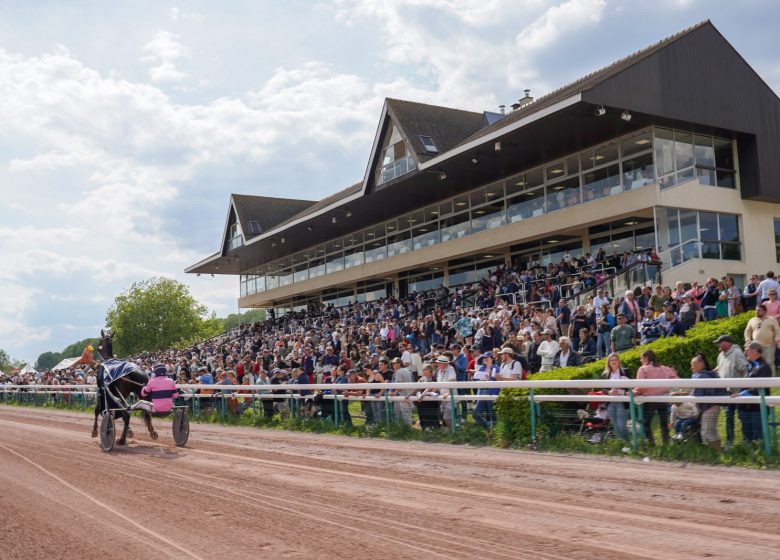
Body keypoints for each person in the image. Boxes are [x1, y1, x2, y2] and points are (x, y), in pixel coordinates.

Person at [633, 349, 679, 446]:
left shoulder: (643, 369)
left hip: (650, 400)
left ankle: (651, 444)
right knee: (663, 423)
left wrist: (633, 393)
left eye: (641, 358)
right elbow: (676, 379)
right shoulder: (665, 368)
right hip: (663, 399)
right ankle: (666, 444)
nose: (640, 361)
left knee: (646, 423)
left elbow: (641, 387)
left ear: (646, 358)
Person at [731, 342, 773, 443]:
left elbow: (758, 388)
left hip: (757, 408)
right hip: (745, 407)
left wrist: (741, 394)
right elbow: (745, 385)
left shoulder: (764, 367)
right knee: (747, 435)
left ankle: (761, 455)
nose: (745, 352)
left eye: (747, 349)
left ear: (755, 350)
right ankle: (749, 453)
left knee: (758, 436)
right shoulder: (749, 367)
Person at [713, 334, 748, 449]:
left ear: (727, 343)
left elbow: (745, 370)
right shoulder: (720, 355)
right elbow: (718, 369)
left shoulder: (737, 353)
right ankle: (730, 442)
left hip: (738, 392)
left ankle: (746, 441)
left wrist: (743, 389)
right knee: (729, 417)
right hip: (726, 392)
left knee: (742, 417)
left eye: (720, 342)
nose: (718, 345)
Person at [690, 353, 727, 451]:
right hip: (714, 405)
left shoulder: (701, 376)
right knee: (712, 430)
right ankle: (719, 451)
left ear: (701, 364)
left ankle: (716, 453)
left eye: (694, 364)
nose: (692, 366)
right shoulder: (709, 374)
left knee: (706, 432)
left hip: (709, 406)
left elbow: (696, 395)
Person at [602, 353, 630, 442]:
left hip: (622, 401)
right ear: (609, 362)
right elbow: (603, 389)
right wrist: (609, 392)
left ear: (619, 361)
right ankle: (622, 443)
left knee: (621, 425)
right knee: (615, 425)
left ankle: (627, 442)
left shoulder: (625, 371)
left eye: (615, 359)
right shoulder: (605, 374)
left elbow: (631, 386)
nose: (614, 361)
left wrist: (623, 391)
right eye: (612, 360)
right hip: (611, 402)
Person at [743, 303, 780, 369]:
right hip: (756, 347)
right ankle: (758, 378)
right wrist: (748, 340)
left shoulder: (772, 319)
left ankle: (771, 379)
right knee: (757, 364)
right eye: (756, 310)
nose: (757, 312)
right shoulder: (752, 320)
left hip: (769, 346)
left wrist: (777, 341)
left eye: (759, 310)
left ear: (765, 311)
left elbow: (777, 330)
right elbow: (747, 331)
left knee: (769, 364)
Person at [472, 352, 499, 429]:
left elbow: (498, 380)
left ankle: (495, 432)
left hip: (492, 392)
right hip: (482, 392)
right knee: (476, 413)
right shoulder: (481, 368)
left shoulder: (496, 367)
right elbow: (476, 380)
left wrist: (489, 378)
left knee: (492, 414)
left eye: (487, 358)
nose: (485, 359)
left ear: (492, 358)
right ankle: (487, 428)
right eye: (484, 358)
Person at [389, 357, 414, 426]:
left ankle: (407, 430)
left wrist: (394, 393)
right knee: (408, 414)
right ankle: (408, 429)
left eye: (394, 363)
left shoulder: (399, 372)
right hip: (408, 394)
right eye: (392, 363)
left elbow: (399, 386)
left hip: (404, 395)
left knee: (405, 414)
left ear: (399, 364)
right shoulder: (405, 370)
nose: (393, 364)